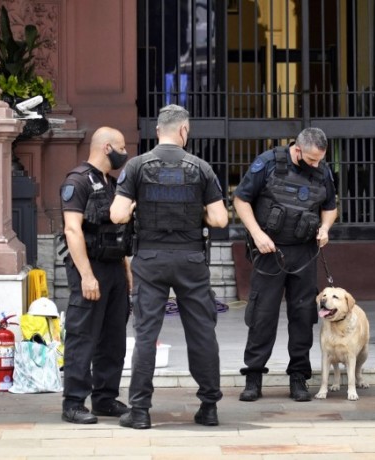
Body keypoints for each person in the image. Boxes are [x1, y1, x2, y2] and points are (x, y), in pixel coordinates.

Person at [109, 104, 229, 429]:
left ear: (158, 130)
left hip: (150, 259)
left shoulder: (136, 166)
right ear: (184, 130)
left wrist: (136, 205)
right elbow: (220, 219)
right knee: (202, 333)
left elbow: (117, 215)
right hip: (191, 260)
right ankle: (209, 407)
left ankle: (139, 411)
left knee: (146, 335)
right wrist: (199, 212)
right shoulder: (201, 168)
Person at [233, 127, 338, 403]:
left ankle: (299, 378)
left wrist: (325, 228)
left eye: (320, 159)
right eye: (312, 159)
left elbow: (330, 206)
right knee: (262, 315)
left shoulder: (322, 169)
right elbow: (241, 200)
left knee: (303, 315)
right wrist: (257, 234)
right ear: (297, 149)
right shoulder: (268, 163)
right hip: (270, 250)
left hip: (304, 252)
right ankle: (253, 377)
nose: (316, 165)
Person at [59, 127, 133, 424]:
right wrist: (87, 276)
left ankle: (105, 398)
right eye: (121, 147)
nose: (124, 153)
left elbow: (118, 231)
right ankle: (74, 402)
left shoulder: (113, 184)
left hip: (114, 268)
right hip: (89, 267)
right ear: (106, 148)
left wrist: (126, 271)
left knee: (113, 338)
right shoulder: (77, 181)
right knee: (83, 337)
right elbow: (72, 230)